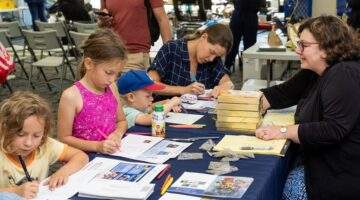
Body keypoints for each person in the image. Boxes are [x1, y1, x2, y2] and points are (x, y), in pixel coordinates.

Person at [254, 15, 360, 200]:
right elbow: (282, 93)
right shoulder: (315, 71)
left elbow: (333, 129)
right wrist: (238, 101)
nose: (297, 50)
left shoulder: (344, 74)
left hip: (341, 172)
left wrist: (284, 131)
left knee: (291, 188)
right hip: (322, 161)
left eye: (303, 45)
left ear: (326, 48)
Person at [0, 91, 88, 199]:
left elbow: (81, 156)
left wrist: (62, 172)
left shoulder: (45, 145)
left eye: (36, 136)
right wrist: (14, 191)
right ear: (5, 129)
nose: (28, 143)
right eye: (21, 134)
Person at [57, 29, 127, 155]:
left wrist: (117, 134)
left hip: (111, 152)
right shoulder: (71, 96)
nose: (112, 79)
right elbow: (64, 138)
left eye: (117, 74)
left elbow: (121, 121)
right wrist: (97, 146)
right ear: (89, 64)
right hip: (85, 160)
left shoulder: (112, 88)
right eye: (109, 73)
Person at [148, 23, 234, 100]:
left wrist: (226, 86)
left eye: (216, 56)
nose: (211, 59)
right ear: (204, 37)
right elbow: (150, 85)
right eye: (211, 52)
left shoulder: (214, 59)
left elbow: (227, 82)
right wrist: (183, 90)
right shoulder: (171, 49)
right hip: (166, 111)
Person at [99, 0, 172, 71]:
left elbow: (162, 19)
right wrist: (104, 20)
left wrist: (170, 54)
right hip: (110, 54)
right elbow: (101, 23)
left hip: (136, 55)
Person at [117, 70, 181, 129]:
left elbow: (151, 107)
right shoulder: (127, 111)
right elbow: (150, 119)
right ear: (131, 97)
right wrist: (170, 103)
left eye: (152, 95)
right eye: (147, 96)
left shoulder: (139, 107)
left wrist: (166, 102)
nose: (152, 98)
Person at [224, 0, 266, 70]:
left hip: (248, 16)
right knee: (234, 42)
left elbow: (263, 4)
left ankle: (248, 66)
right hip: (240, 15)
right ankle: (228, 65)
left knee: (249, 44)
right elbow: (263, 4)